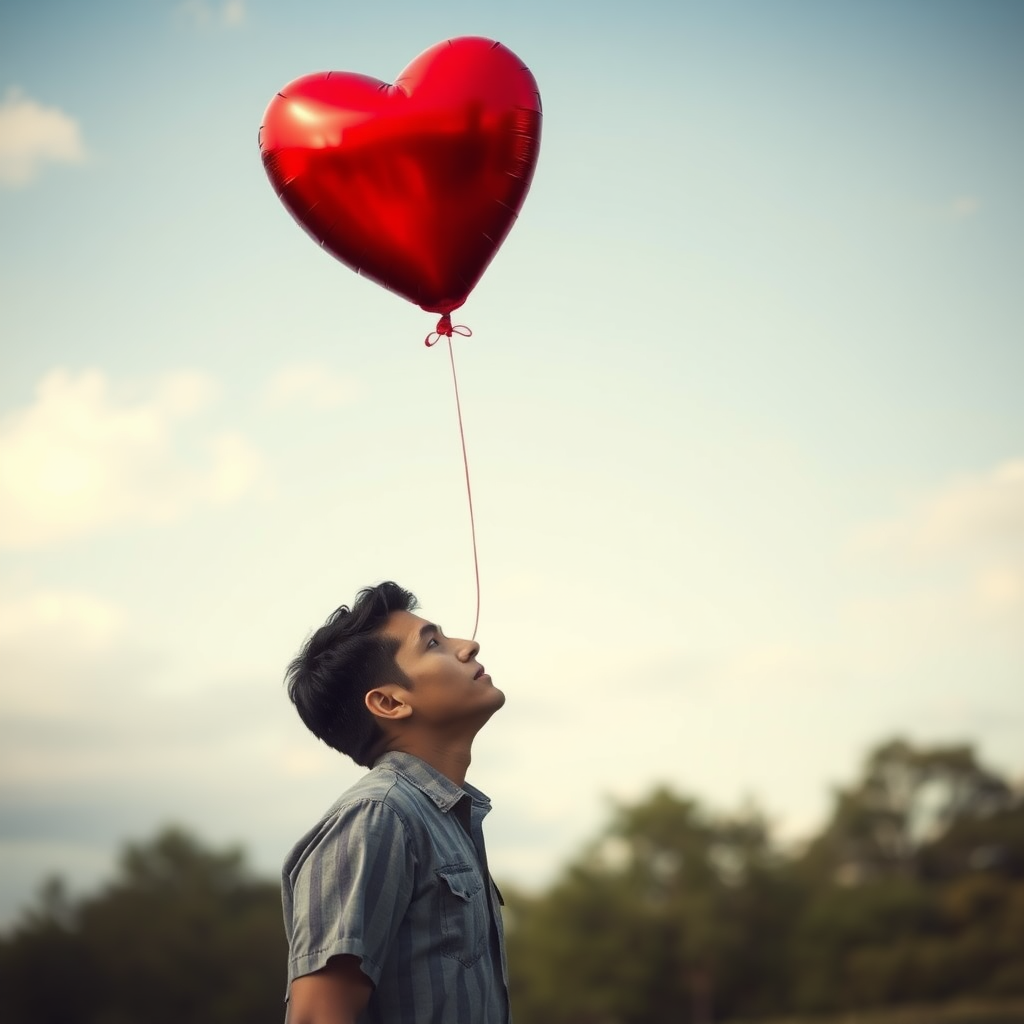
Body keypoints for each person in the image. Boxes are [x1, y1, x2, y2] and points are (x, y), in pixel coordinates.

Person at [280, 581, 510, 1024]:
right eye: (434, 644)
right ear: (389, 702)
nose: (469, 645)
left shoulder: (443, 820)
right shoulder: (378, 816)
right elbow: (317, 1017)